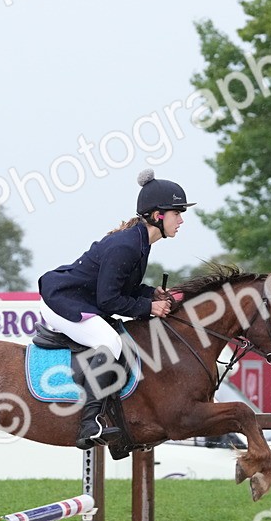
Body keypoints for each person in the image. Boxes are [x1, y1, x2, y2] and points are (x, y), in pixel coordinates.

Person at [38, 169, 194, 449]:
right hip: (62, 301)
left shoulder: (140, 242)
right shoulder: (127, 245)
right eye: (177, 213)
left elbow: (123, 288)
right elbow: (110, 301)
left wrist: (150, 293)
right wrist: (149, 307)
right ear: (158, 215)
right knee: (109, 342)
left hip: (81, 297)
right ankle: (89, 423)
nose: (181, 220)